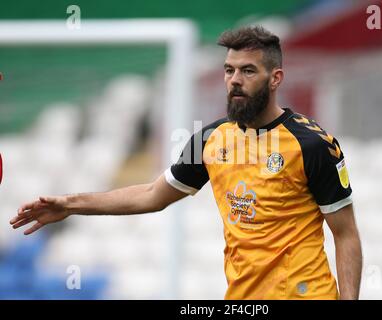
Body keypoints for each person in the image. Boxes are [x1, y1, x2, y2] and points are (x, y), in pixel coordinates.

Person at [10, 26, 362, 300]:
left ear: (276, 78)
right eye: (229, 70)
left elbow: (345, 234)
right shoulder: (210, 139)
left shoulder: (312, 144)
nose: (235, 81)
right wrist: (71, 205)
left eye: (248, 71)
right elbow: (152, 195)